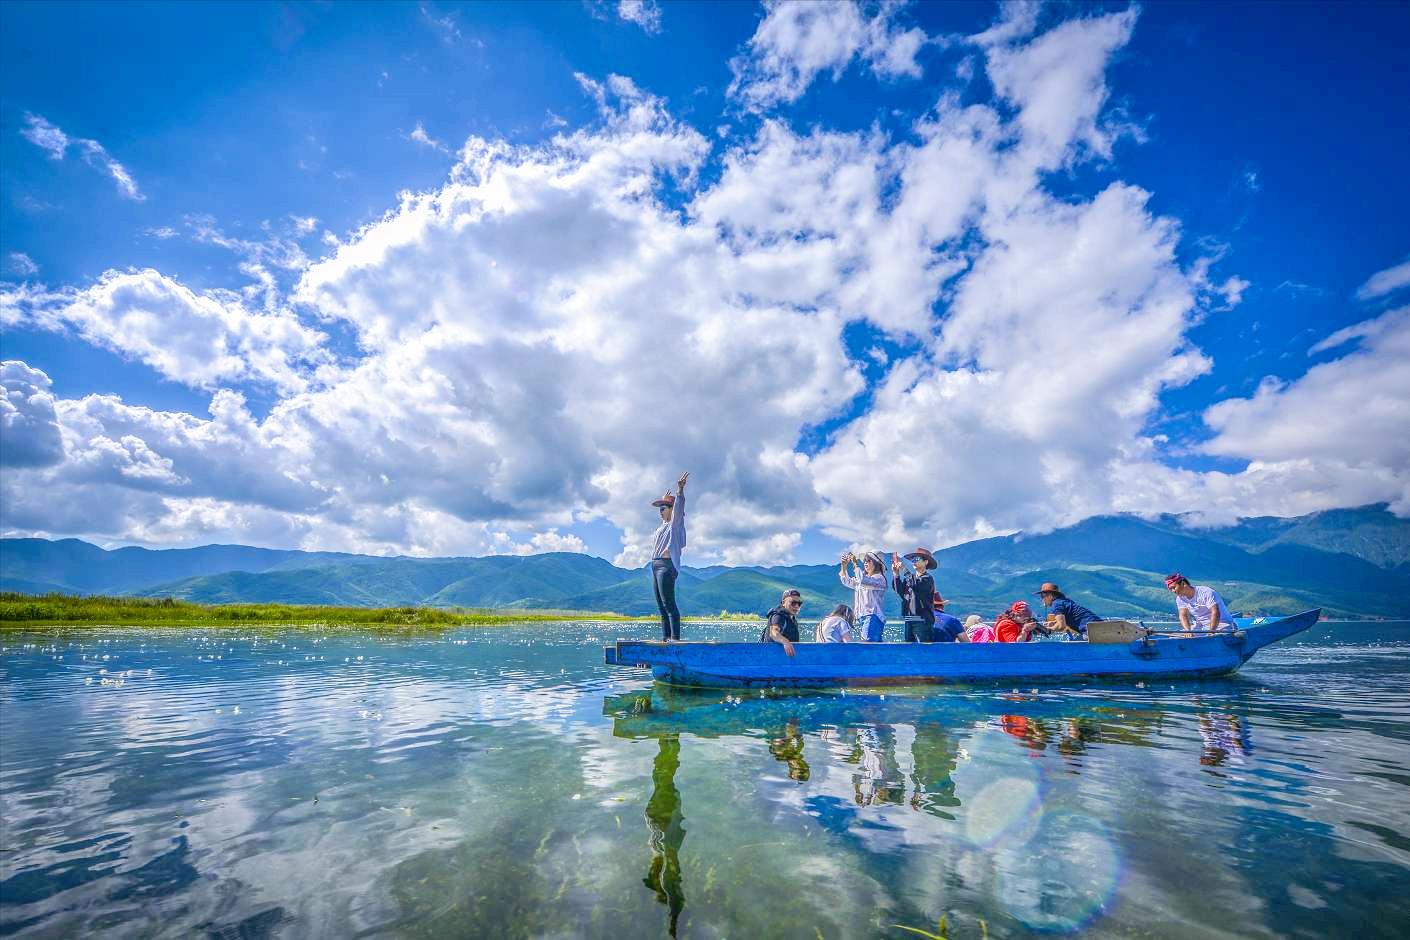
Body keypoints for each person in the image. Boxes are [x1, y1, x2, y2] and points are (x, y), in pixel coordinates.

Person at [649, 472, 689, 641]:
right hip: (655, 565)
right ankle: (665, 638)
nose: (660, 511)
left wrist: (679, 491)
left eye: (663, 508)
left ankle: (675, 639)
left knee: (669, 604)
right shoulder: (663, 526)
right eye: (660, 508)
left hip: (666, 566)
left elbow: (679, 508)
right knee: (661, 606)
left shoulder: (675, 524)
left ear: (671, 510)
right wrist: (667, 497)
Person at [840, 551, 888, 642]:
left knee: (867, 646)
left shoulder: (879, 578)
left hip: (872, 616)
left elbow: (862, 580)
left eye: (869, 560)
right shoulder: (863, 578)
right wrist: (844, 566)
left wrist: (855, 564)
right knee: (873, 647)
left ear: (876, 564)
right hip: (863, 617)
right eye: (865, 560)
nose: (865, 562)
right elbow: (847, 581)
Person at [891, 548, 937, 642]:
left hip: (922, 620)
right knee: (909, 651)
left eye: (917, 559)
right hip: (908, 620)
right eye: (913, 560)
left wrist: (904, 569)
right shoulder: (910, 578)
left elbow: (915, 585)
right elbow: (899, 591)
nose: (913, 562)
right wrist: (896, 575)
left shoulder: (927, 578)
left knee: (923, 650)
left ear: (926, 562)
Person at [1165, 573, 1235, 633]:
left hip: (1222, 623)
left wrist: (1211, 632)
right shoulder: (1179, 599)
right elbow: (1183, 615)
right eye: (1170, 589)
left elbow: (1215, 612)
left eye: (1174, 587)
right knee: (1178, 635)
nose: (1173, 591)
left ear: (1183, 583)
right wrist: (1188, 631)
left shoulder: (1206, 592)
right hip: (1201, 627)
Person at [1033, 582, 1100, 637]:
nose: (1041, 599)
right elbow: (1069, 619)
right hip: (1099, 625)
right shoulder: (1064, 601)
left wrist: (1048, 630)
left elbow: (1061, 625)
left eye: (1042, 596)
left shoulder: (1056, 605)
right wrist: (1055, 623)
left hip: (1090, 631)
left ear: (1050, 595)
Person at [761, 589, 803, 656]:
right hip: (772, 656)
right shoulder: (779, 616)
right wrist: (785, 642)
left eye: (799, 604)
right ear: (783, 603)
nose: (797, 606)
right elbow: (773, 633)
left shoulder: (792, 618)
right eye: (793, 603)